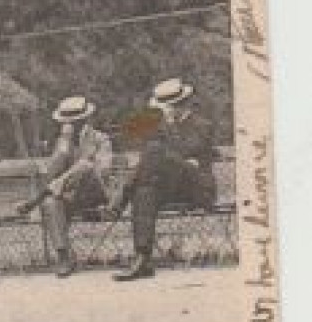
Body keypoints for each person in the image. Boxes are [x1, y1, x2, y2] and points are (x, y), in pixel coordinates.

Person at [107, 78, 218, 282]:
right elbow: (125, 134)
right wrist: (152, 119)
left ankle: (121, 197)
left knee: (155, 149)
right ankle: (143, 259)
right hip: (169, 186)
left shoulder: (203, 125)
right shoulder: (161, 126)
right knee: (144, 192)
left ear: (180, 104)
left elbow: (186, 151)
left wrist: (166, 126)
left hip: (197, 189)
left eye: (167, 107)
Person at [17, 95, 112, 277]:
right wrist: (63, 149)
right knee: (50, 204)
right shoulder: (63, 143)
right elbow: (50, 174)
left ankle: (34, 201)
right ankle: (64, 257)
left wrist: (76, 170)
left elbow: (103, 171)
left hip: (95, 195)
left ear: (86, 119)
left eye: (75, 122)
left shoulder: (101, 139)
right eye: (67, 122)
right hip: (69, 197)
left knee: (85, 166)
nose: (70, 126)